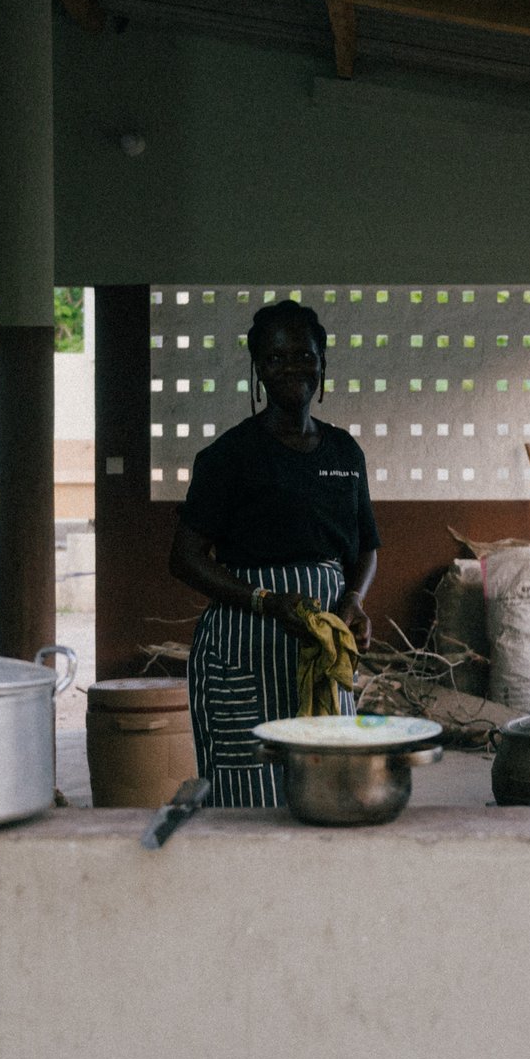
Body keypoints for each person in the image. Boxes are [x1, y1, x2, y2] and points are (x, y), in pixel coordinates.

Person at [168, 300, 379, 806]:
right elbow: (185, 558)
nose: (292, 368)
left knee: (327, 783)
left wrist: (354, 599)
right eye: (277, 358)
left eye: (304, 356)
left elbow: (367, 546)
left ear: (322, 364)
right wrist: (266, 600)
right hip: (246, 646)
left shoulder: (344, 452)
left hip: (322, 649)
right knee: (251, 793)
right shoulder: (228, 457)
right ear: (258, 369)